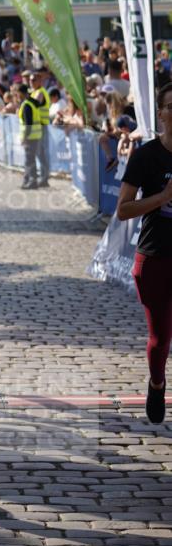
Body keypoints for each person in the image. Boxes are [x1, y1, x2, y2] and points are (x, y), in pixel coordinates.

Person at [116, 83, 172, 424]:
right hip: (155, 256)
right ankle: (157, 382)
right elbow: (123, 210)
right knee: (160, 338)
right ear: (162, 114)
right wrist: (164, 197)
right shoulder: (146, 156)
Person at [12, 82, 41, 189]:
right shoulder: (31, 102)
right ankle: (29, 180)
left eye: (18, 94)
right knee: (30, 160)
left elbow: (28, 124)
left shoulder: (27, 105)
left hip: (30, 137)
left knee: (29, 160)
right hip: (35, 136)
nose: (17, 96)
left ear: (22, 93)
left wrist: (25, 137)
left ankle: (32, 181)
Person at [27, 71, 51, 187]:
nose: (30, 82)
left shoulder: (40, 93)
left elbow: (34, 105)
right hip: (38, 126)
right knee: (39, 152)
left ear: (40, 81)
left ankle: (44, 178)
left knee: (40, 152)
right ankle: (43, 177)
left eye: (33, 80)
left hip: (41, 126)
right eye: (30, 80)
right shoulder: (35, 92)